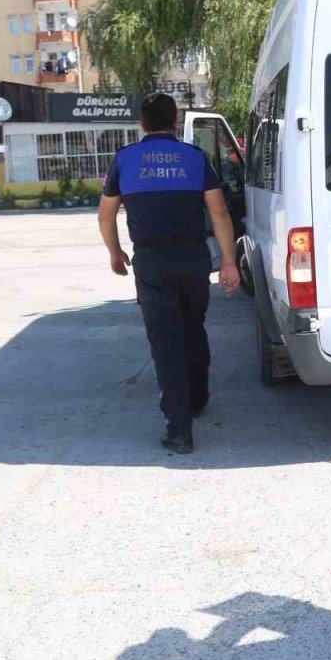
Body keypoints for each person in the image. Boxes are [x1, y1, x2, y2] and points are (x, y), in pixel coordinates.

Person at [98, 92, 240, 454]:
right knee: (193, 328)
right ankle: (197, 397)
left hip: (151, 261)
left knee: (165, 342)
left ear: (142, 123)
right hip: (192, 258)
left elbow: (106, 214)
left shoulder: (125, 159)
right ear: (174, 121)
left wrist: (115, 252)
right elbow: (219, 212)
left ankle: (179, 431)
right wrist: (228, 261)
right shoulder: (195, 157)